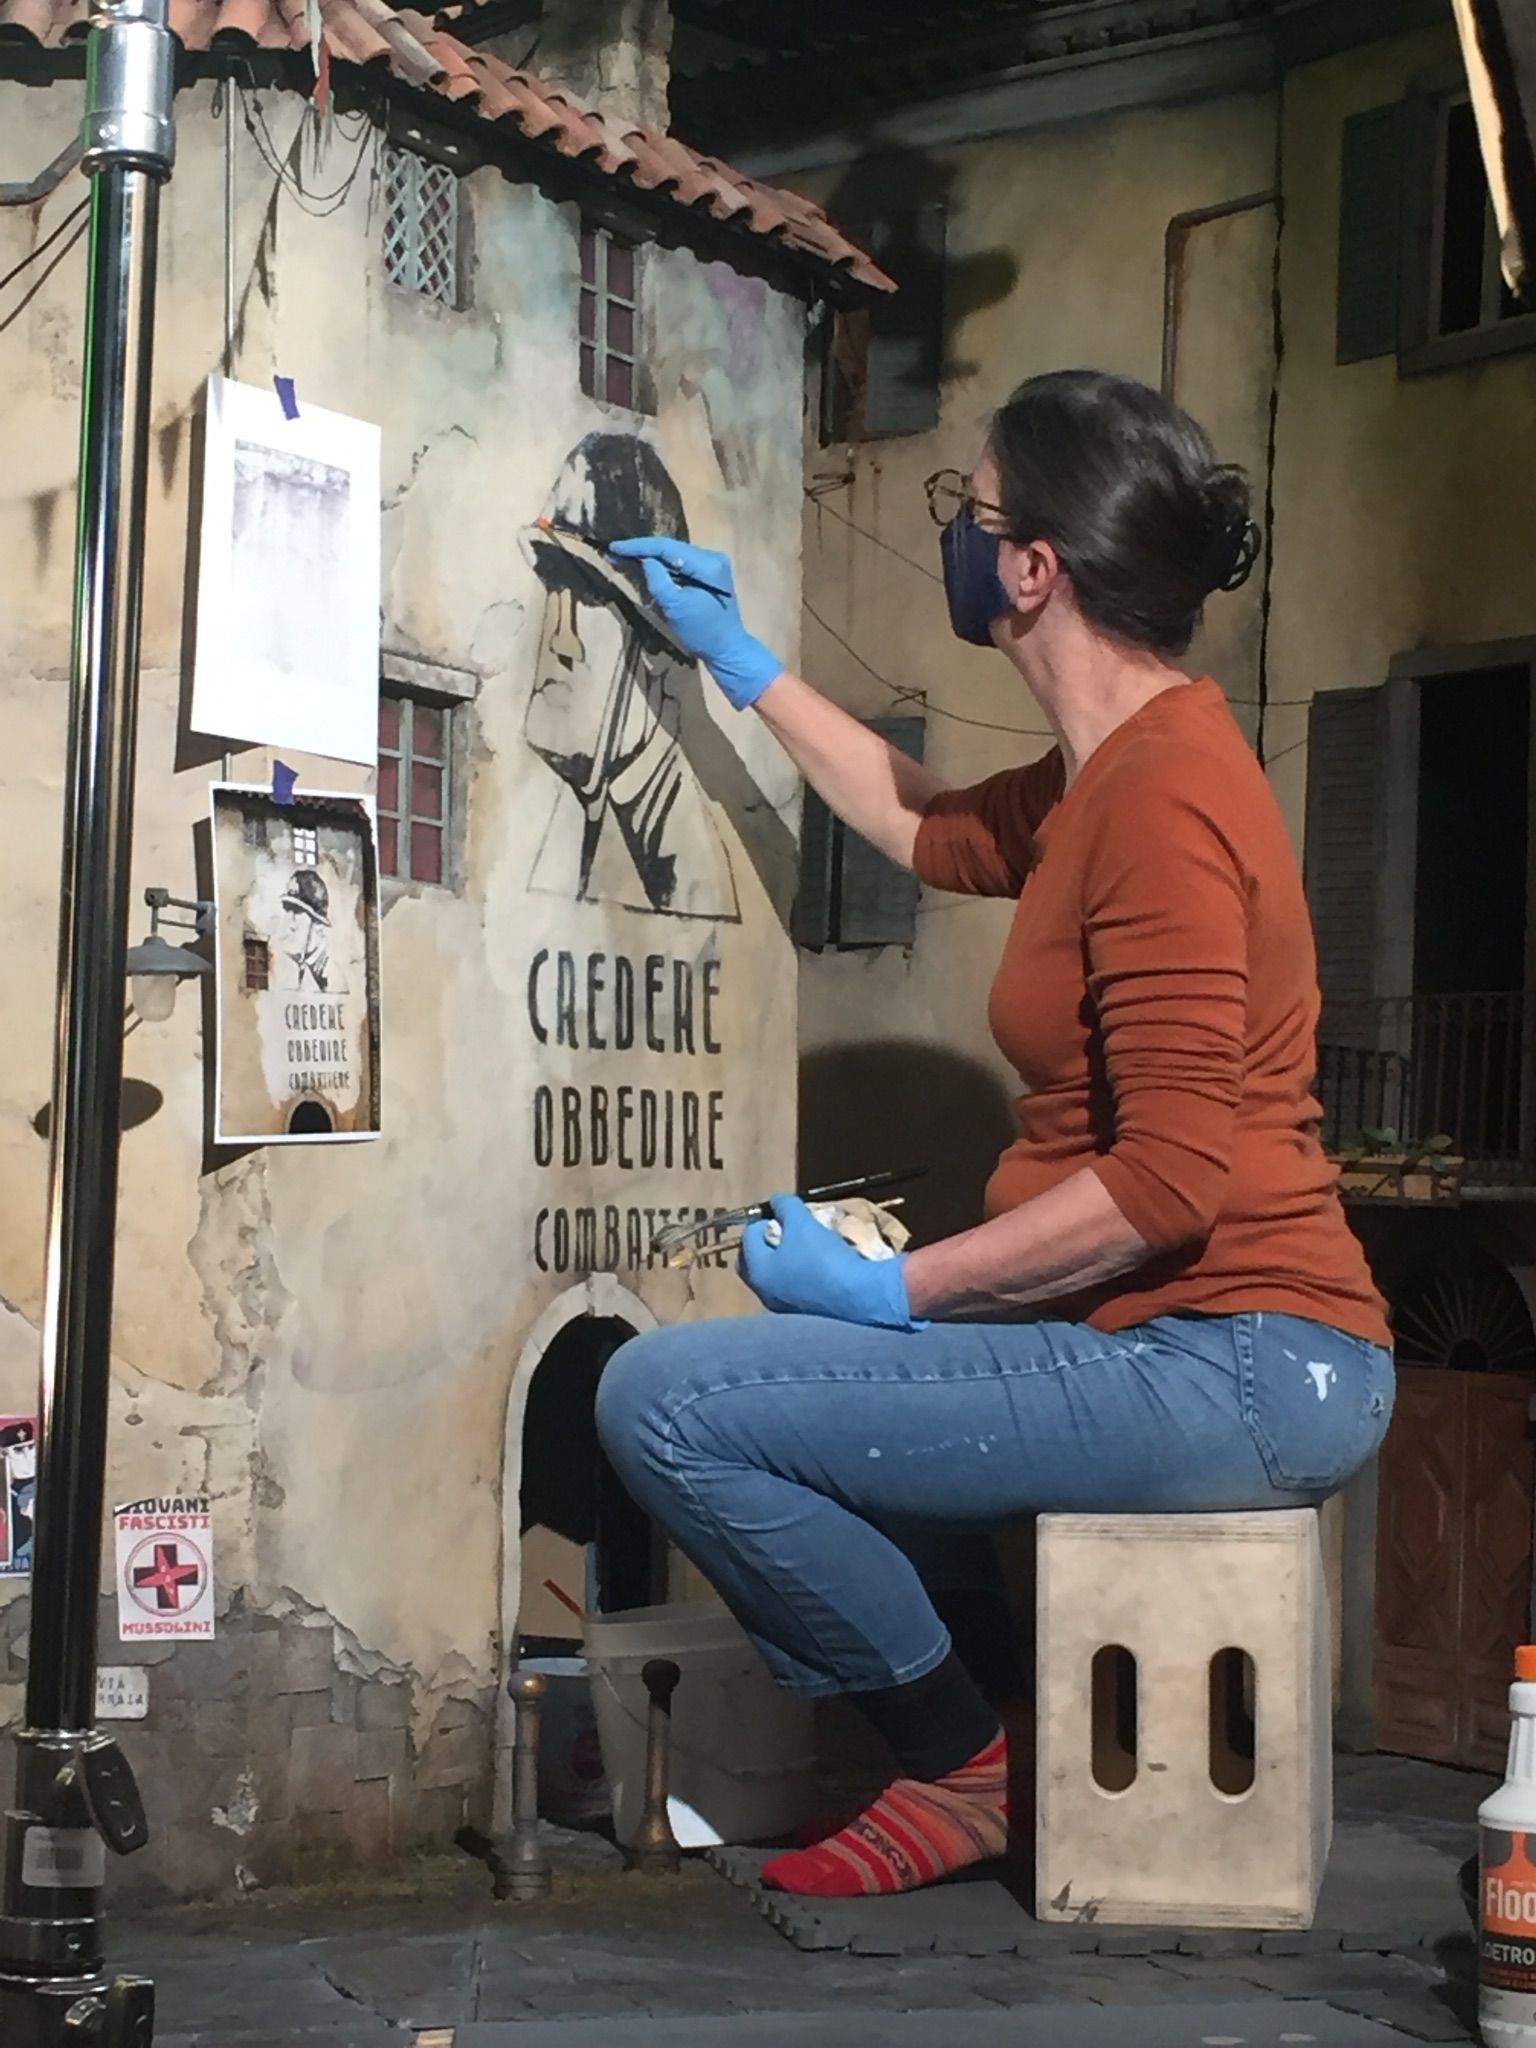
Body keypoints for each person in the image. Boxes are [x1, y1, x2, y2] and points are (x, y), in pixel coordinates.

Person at [594, 369, 1395, 1900]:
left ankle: (963, 1763)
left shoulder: (1164, 801)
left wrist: (894, 1292)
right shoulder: (1110, 770)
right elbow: (927, 828)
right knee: (767, 1405)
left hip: (1240, 1355)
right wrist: (745, 664)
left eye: (967, 515)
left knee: (666, 1401)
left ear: (1031, 569)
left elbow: (1170, 1182)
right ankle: (985, 1736)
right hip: (1195, 1349)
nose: (956, 540)